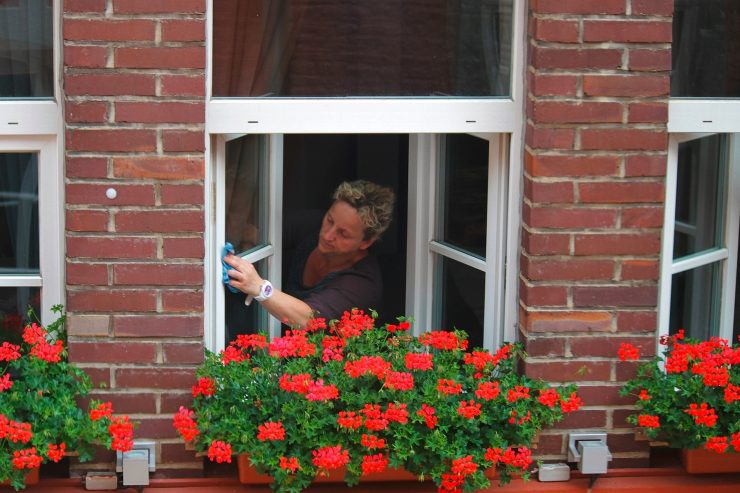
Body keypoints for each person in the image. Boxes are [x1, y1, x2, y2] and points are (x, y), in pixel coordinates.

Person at [224, 180, 395, 327]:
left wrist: (259, 288)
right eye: (329, 220)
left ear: (366, 242)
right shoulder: (313, 225)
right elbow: (255, 233)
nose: (328, 235)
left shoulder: (363, 284)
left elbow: (309, 319)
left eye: (343, 234)